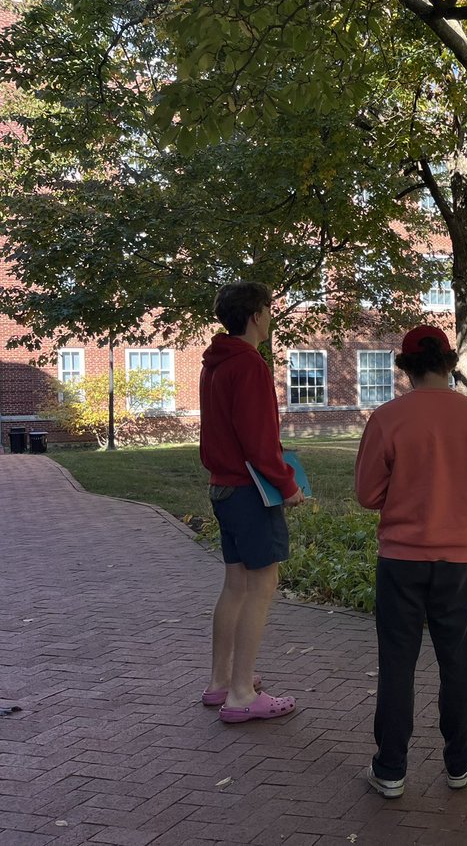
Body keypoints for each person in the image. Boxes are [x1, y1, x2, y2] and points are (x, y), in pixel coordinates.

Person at [355, 324, 467, 798]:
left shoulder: (387, 418)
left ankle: (391, 768)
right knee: (457, 662)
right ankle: (460, 760)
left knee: (397, 663)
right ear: (448, 364)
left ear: (407, 367)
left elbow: (367, 494)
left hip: (400, 559)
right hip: (460, 558)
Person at [199, 280, 304, 723]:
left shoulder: (214, 364)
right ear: (257, 314)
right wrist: (288, 485)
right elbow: (259, 442)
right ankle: (242, 693)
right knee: (262, 585)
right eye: (268, 309)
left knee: (236, 585)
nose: (271, 316)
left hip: (223, 487)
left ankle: (221, 681)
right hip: (250, 491)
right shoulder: (250, 365)